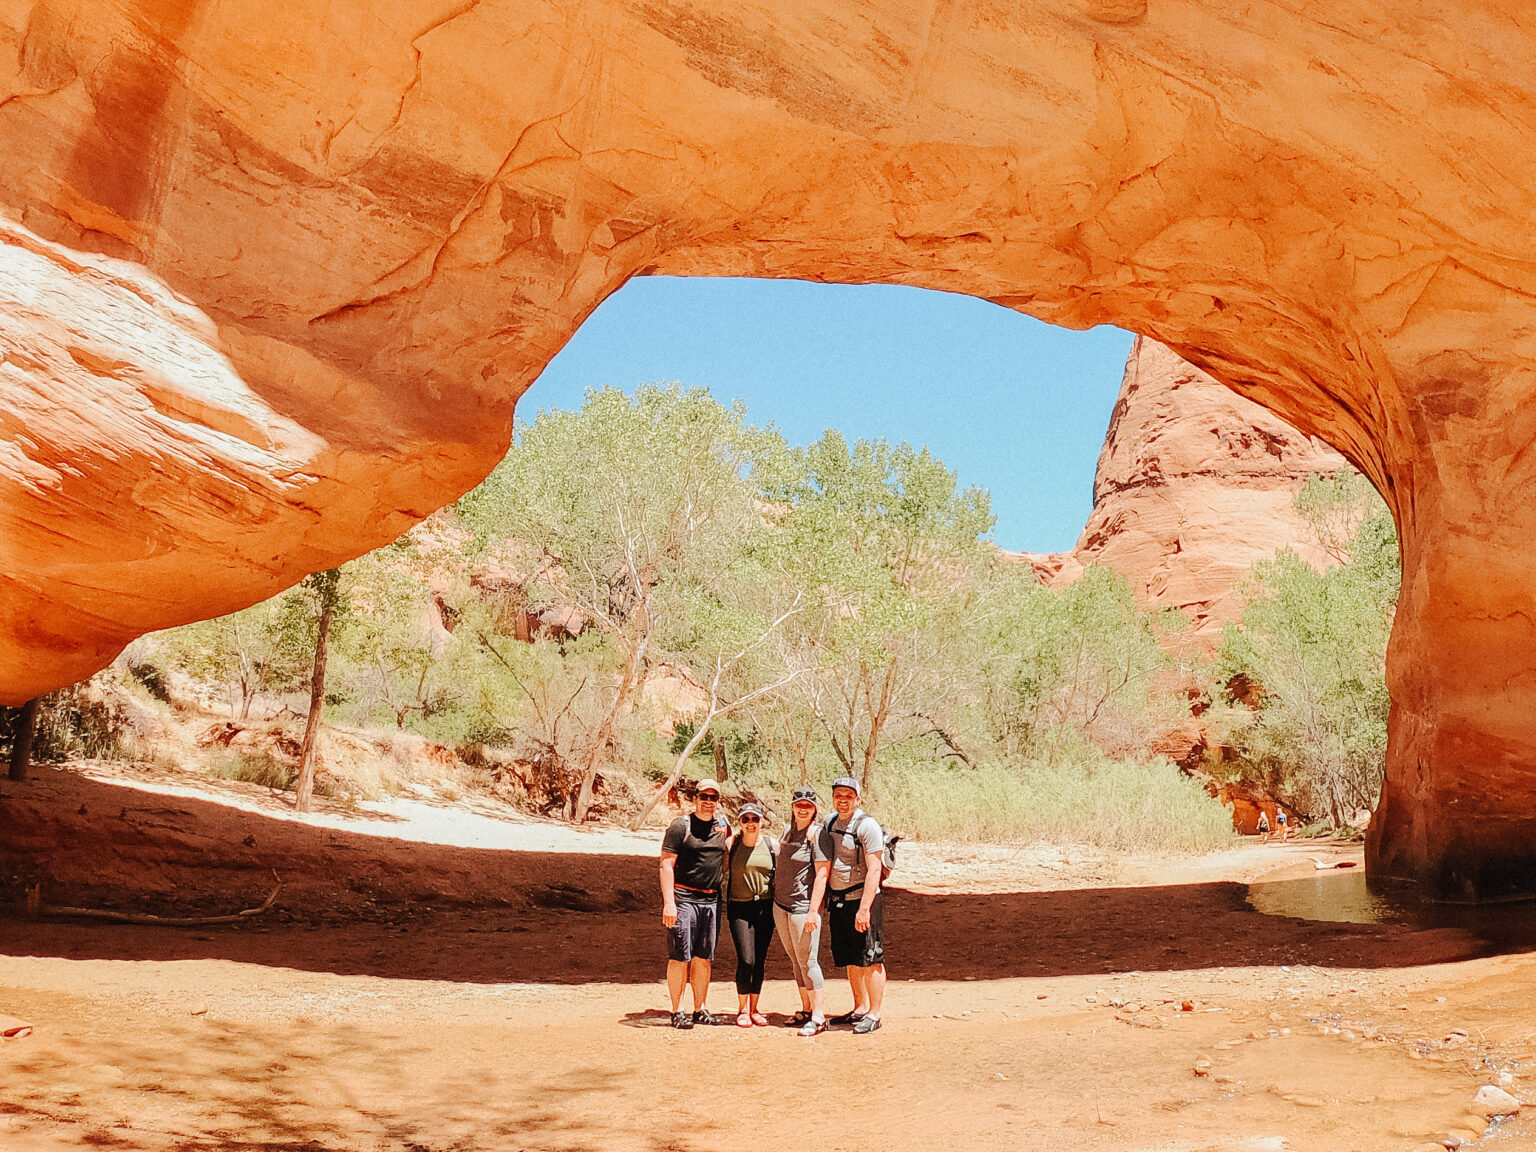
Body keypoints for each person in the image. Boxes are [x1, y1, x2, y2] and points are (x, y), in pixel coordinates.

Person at [659, 778, 729, 1029]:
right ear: (695, 798)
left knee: (703, 957)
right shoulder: (681, 826)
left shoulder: (722, 826)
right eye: (704, 797)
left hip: (711, 899)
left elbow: (727, 855)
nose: (708, 802)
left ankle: (700, 1008)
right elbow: (667, 864)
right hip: (684, 898)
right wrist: (670, 903)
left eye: (713, 798)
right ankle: (677, 1011)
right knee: (680, 956)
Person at [823, 776, 885, 1034]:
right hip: (840, 901)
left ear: (858, 799)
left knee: (871, 957)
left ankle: (875, 1013)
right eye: (839, 795)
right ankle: (859, 1007)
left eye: (848, 796)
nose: (843, 800)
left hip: (863, 900)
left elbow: (875, 869)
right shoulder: (830, 822)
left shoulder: (867, 826)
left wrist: (864, 908)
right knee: (851, 957)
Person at [773, 786, 832, 1037]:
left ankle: (819, 1016)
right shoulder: (788, 831)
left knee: (808, 961)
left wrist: (813, 911)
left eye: (808, 805)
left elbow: (822, 874)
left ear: (815, 809)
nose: (803, 809)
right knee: (795, 960)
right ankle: (806, 1010)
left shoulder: (817, 835)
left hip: (802, 907)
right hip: (781, 905)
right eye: (799, 805)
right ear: (793, 807)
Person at [725, 802, 777, 1028]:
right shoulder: (731, 844)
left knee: (759, 960)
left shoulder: (772, 845)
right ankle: (742, 1009)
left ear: (761, 821)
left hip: (765, 908)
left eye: (754, 819)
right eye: (745, 820)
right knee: (746, 959)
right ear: (739, 823)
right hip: (739, 908)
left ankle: (754, 1008)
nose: (750, 824)